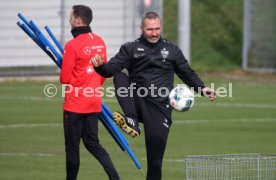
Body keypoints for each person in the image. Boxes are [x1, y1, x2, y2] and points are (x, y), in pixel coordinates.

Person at [91, 11, 216, 180]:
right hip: (137, 100)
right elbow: (111, 69)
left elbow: (187, 73)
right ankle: (131, 120)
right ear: (142, 28)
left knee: (155, 162)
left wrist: (202, 88)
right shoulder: (130, 48)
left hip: (160, 108)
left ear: (161, 28)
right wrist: (100, 67)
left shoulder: (172, 50)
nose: (154, 33)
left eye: (157, 28)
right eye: (150, 29)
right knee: (120, 76)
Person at [60, 5, 120, 180]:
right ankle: (115, 177)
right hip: (93, 102)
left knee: (72, 148)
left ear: (77, 20)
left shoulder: (72, 45)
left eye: (71, 17)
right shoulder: (100, 41)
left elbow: (64, 78)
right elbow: (104, 73)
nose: (69, 19)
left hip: (75, 104)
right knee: (93, 144)